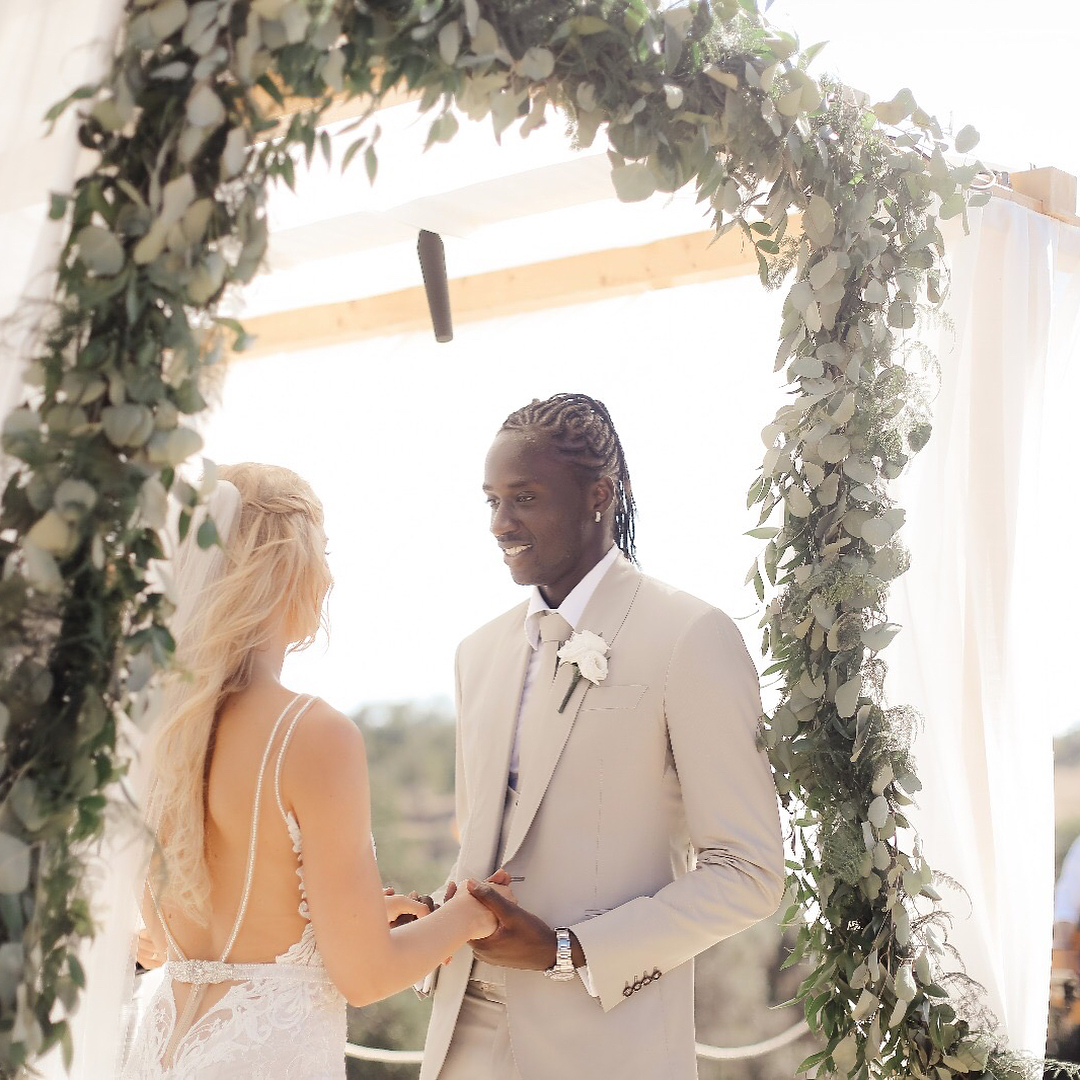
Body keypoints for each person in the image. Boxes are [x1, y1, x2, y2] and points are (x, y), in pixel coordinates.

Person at [419, 394, 786, 1080]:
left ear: (599, 496)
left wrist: (569, 949)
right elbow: (484, 846)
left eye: (524, 498)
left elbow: (751, 873)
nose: (501, 523)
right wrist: (430, 916)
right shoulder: (478, 653)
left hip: (606, 1045)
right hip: (461, 1035)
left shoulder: (690, 636)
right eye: (492, 500)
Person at [122, 463, 500, 1079]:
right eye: (321, 553)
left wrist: (336, 917)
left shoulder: (155, 730)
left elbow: (169, 940)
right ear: (288, 571)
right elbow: (367, 976)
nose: (328, 578)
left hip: (159, 1050)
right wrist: (472, 914)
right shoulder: (311, 734)